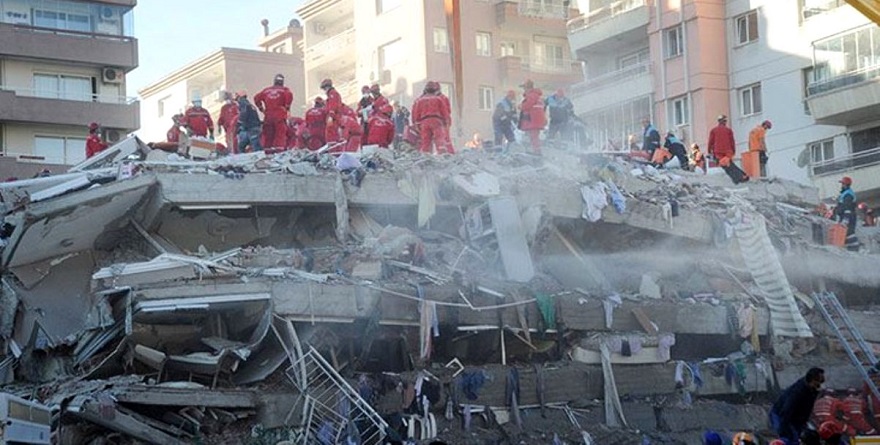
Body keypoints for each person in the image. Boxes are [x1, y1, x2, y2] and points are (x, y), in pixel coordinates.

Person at [770, 367, 825, 443]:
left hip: (796, 416)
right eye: (819, 381)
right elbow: (786, 411)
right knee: (789, 438)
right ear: (812, 380)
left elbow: (807, 408)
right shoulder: (797, 392)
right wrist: (784, 431)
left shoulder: (812, 390)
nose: (821, 384)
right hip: (781, 415)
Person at [254, 74, 293, 151]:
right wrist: (287, 108)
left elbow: (256, 98)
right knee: (280, 133)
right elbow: (289, 97)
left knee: (268, 134)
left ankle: (267, 151)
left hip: (268, 115)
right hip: (280, 114)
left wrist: (261, 108)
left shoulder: (266, 90)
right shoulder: (285, 90)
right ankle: (279, 151)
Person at [412, 81, 452, 154]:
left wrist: (416, 124)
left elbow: (416, 114)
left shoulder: (420, 100)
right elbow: (445, 112)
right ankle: (443, 157)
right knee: (440, 141)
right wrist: (447, 122)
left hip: (424, 123)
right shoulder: (439, 99)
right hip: (436, 121)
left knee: (425, 143)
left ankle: (426, 159)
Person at [518, 79, 546, 154]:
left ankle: (536, 152)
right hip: (535, 120)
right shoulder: (536, 95)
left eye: (524, 88)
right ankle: (534, 151)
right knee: (533, 137)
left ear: (528, 88)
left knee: (534, 137)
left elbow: (528, 105)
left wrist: (521, 106)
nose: (524, 90)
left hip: (533, 121)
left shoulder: (532, 95)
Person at [835, 176, 859, 251]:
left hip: (848, 216)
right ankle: (851, 249)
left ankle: (855, 249)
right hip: (847, 216)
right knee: (846, 234)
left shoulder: (848, 194)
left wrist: (845, 219)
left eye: (842, 184)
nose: (841, 185)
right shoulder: (846, 193)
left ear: (845, 184)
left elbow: (847, 208)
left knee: (849, 233)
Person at [321, 78, 343, 144]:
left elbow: (333, 106)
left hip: (334, 119)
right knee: (331, 136)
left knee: (332, 136)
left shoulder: (333, 94)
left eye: (324, 88)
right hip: (333, 118)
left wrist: (331, 116)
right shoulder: (332, 95)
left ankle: (333, 152)